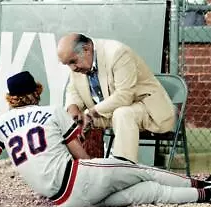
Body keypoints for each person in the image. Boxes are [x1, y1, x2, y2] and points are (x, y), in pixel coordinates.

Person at [0, 71, 211, 207]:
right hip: (79, 176)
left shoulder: (0, 122)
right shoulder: (51, 110)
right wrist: (106, 170)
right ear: (36, 92)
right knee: (143, 172)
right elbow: (81, 155)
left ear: (10, 98)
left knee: (149, 193)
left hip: (64, 201)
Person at [57, 33, 175, 163]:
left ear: (86, 49)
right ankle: (85, 170)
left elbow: (124, 96)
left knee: (122, 113)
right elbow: (73, 91)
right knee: (75, 123)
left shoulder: (117, 53)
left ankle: (123, 170)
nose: (72, 68)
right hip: (110, 113)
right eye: (68, 64)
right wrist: (72, 109)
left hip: (150, 110)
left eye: (73, 62)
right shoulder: (79, 65)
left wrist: (90, 113)